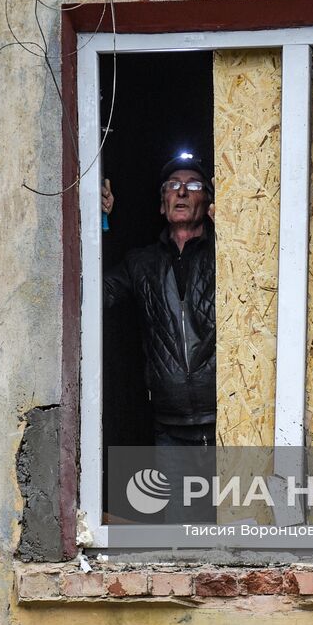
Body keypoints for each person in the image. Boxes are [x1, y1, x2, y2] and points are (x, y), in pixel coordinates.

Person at [102, 152, 216, 520]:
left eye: (193, 185)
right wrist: (98, 223)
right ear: (162, 204)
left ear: (208, 201)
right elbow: (95, 294)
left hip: (226, 423)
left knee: (235, 529)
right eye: (172, 186)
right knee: (181, 532)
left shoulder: (226, 255)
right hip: (170, 425)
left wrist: (235, 230)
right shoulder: (142, 263)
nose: (182, 192)